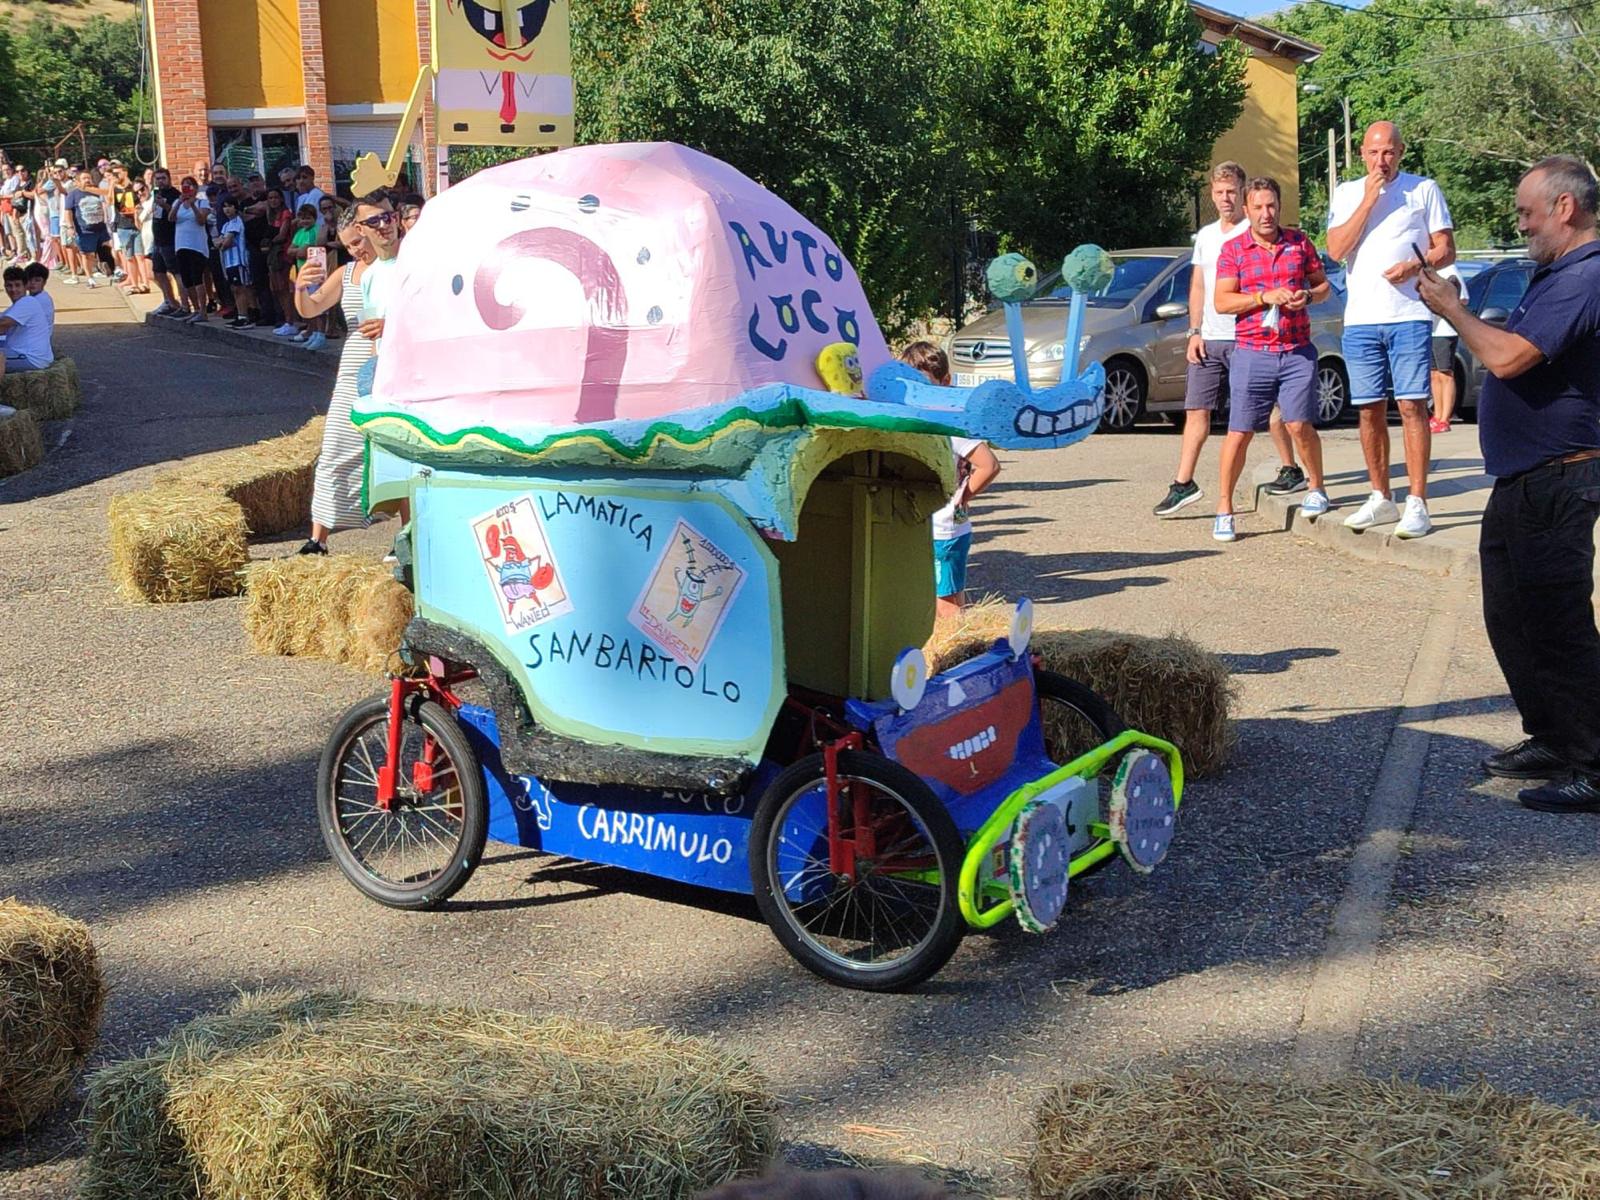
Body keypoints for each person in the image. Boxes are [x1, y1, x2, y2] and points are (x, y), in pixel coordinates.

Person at [1418, 156, 1600, 813]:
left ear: (1564, 209)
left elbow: (1508, 356)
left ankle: (1595, 764)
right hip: (1524, 475)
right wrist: (1460, 306)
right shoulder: (1554, 275)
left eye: (1527, 212)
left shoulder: (1587, 275)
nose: (1519, 222)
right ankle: (1552, 737)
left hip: (1562, 473)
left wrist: (1449, 312)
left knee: (1559, 622)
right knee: (1511, 614)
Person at [1326, 122, 1455, 538]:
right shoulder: (1347, 193)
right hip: (1362, 317)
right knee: (1367, 408)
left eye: (1389, 153)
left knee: (1413, 406)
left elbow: (1446, 247)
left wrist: (1414, 265)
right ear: (1361, 153)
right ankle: (1381, 496)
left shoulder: (1423, 189)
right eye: (1374, 153)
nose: (1382, 160)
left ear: (1401, 153)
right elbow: (1335, 249)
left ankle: (1417, 502)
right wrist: (1368, 199)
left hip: (1409, 315)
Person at [1154, 162, 1305, 518]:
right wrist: (1194, 331)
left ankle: (1291, 467)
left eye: (1232, 192)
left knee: (1265, 413)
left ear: (1244, 195)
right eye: (1219, 193)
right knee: (1196, 411)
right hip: (1210, 337)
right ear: (1211, 194)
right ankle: (1183, 484)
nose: (1225, 199)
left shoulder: (1252, 234)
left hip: (1247, 337)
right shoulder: (1206, 236)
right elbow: (1199, 286)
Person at [1211, 176, 1333, 543]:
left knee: (1298, 425)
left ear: (1279, 207)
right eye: (1259, 207)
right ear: (1246, 210)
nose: (1266, 214)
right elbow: (1222, 301)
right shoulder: (1234, 250)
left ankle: (1317, 487)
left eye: (1272, 206)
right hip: (1252, 352)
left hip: (1296, 351)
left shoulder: (1299, 243)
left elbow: (1324, 286)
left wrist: (1307, 297)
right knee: (1239, 432)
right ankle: (1224, 509)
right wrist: (1264, 297)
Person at [294, 212, 382, 553]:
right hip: (354, 359)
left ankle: (403, 535)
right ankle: (318, 538)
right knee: (334, 446)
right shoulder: (346, 273)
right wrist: (301, 286)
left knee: (390, 450)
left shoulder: (396, 267)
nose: (355, 250)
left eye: (358, 241)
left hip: (391, 359)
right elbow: (310, 308)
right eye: (347, 246)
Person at [899, 340, 1001, 617]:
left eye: (924, 384)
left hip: (944, 529)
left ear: (945, 382)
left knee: (945, 607)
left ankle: (954, 654)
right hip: (939, 528)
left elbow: (988, 465)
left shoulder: (948, 424)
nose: (917, 392)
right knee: (946, 598)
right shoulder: (926, 420)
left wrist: (960, 499)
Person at [1427, 263, 1464, 433]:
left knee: (1445, 373)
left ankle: (1445, 418)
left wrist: (1443, 307)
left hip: (1445, 329)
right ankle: (1437, 414)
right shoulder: (1424, 269)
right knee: (1434, 374)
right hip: (1430, 330)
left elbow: (1462, 297)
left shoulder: (1449, 269)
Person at [0, 264, 54, 379]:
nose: (13, 289)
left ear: (26, 286)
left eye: (17, 285)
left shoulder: (29, 302)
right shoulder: (20, 304)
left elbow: (3, 324)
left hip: (30, 358)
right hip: (23, 353)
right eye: (9, 286)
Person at [171, 175, 213, 322]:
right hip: (181, 244)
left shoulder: (203, 202)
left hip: (196, 245)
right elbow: (171, 218)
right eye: (184, 185)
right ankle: (195, 308)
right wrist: (180, 203)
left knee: (197, 277)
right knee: (187, 279)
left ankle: (203, 310)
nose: (187, 188)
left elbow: (201, 220)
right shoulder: (178, 202)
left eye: (190, 185)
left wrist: (193, 204)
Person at [287, 203, 328, 349]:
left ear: (314, 218)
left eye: (308, 218)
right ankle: (313, 331)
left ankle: (320, 333)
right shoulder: (300, 232)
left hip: (314, 272)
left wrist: (298, 250)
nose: (305, 221)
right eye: (302, 218)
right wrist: (298, 250)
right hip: (302, 272)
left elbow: (304, 252)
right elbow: (291, 250)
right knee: (309, 304)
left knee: (318, 304)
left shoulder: (314, 231)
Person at [214, 196, 257, 329]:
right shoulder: (226, 225)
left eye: (230, 206)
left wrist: (223, 242)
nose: (227, 209)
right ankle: (240, 314)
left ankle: (245, 316)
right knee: (234, 289)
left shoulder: (237, 222)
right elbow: (217, 242)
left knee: (240, 288)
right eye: (225, 207)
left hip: (238, 260)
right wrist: (222, 242)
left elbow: (226, 242)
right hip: (228, 262)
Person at [147, 168, 185, 316]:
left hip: (171, 239)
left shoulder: (175, 195)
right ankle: (169, 301)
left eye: (163, 178)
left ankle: (184, 304)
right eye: (157, 179)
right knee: (158, 272)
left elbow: (176, 215)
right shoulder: (157, 194)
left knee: (176, 273)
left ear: (169, 179)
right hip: (158, 240)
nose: (160, 181)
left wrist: (165, 206)